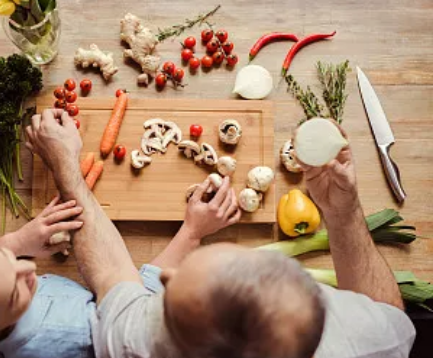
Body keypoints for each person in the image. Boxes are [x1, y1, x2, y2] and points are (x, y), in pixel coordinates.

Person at [25, 108, 416, 358]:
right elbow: (387, 315)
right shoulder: (366, 342)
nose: (164, 273)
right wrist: (342, 211)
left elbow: (112, 275)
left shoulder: (138, 344)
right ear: (314, 298)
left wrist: (65, 165)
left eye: (170, 288)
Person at [0, 170, 236, 357]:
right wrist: (191, 232)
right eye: (15, 291)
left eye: (0, 256)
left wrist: (16, 243)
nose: (31, 270)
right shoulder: (63, 338)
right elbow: (131, 307)